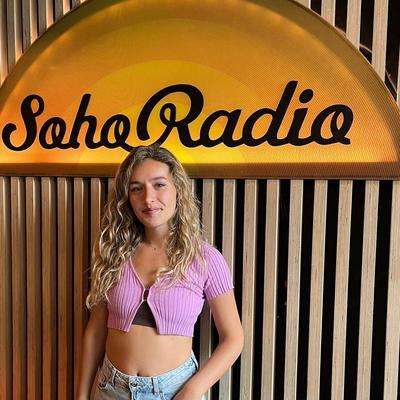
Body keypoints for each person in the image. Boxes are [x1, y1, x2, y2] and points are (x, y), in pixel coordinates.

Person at [76, 144, 244, 400]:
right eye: (136, 188)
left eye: (159, 185)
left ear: (178, 188)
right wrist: (81, 395)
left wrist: (192, 390)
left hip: (175, 392)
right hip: (110, 390)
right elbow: (96, 329)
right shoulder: (112, 253)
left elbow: (233, 338)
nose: (148, 198)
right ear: (127, 197)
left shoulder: (205, 259)